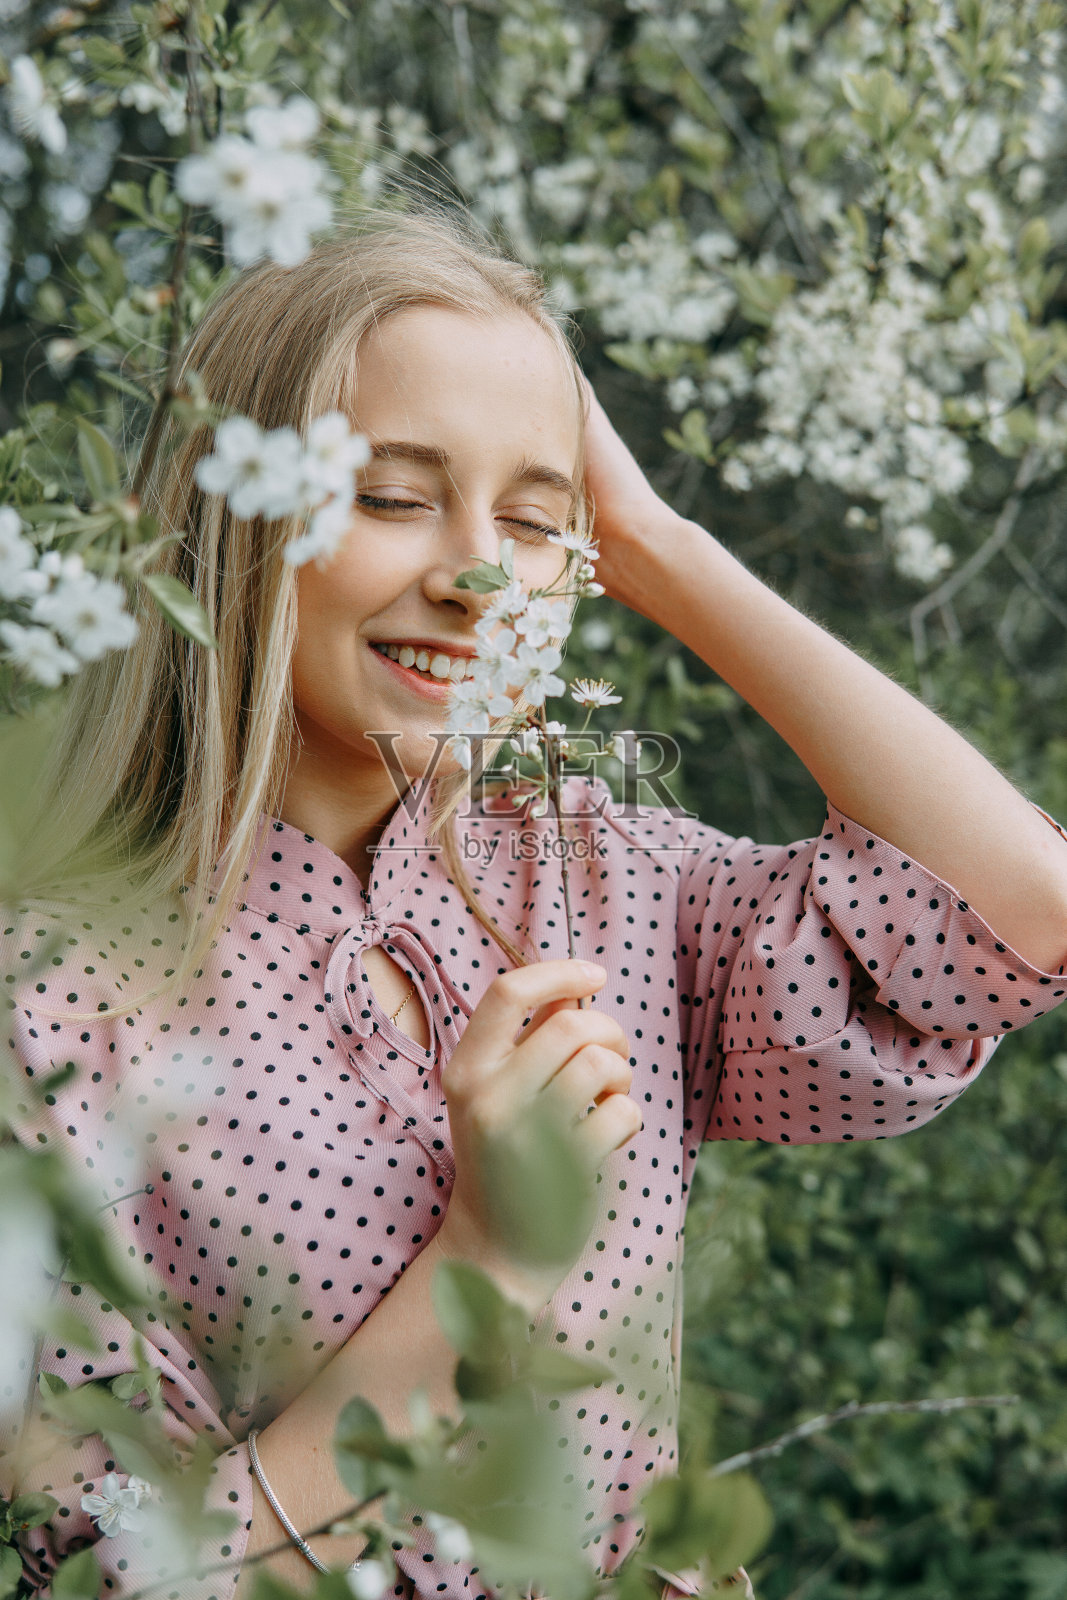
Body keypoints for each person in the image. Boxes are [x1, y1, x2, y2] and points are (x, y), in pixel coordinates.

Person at [3, 206, 1067, 1600]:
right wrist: (488, 1277)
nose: (477, 576)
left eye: (533, 522)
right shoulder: (57, 991)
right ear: (238, 505)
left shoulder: (615, 883)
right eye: (391, 496)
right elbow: (127, 1578)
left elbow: (1013, 918)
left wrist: (656, 537)